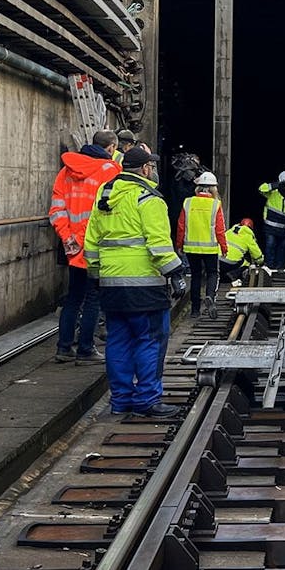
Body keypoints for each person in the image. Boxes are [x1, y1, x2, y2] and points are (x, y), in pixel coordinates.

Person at [85, 147, 186, 419]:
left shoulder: (105, 196)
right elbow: (159, 243)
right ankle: (147, 400)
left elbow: (91, 241)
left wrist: (96, 274)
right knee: (150, 340)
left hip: (110, 283)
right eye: (151, 167)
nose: (152, 171)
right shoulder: (149, 198)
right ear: (144, 170)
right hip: (144, 286)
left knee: (118, 341)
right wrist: (176, 273)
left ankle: (120, 401)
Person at [48, 130, 119, 362]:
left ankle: (64, 348)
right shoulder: (110, 171)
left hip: (73, 246)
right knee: (93, 298)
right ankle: (86, 349)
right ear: (111, 149)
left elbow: (57, 209)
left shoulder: (65, 171)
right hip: (97, 247)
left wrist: (67, 238)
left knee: (73, 297)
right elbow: (113, 211)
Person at [175, 171, 228, 319]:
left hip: (191, 248)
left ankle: (195, 310)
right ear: (213, 189)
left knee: (196, 277)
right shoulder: (215, 205)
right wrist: (224, 247)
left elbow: (181, 226)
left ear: (198, 188)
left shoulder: (188, 202)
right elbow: (220, 229)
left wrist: (179, 244)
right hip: (210, 248)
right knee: (212, 274)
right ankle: (210, 296)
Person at [219, 219, 265, 304]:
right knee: (247, 264)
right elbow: (257, 255)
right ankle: (233, 274)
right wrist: (261, 263)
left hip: (218, 260)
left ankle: (222, 276)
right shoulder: (248, 236)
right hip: (231, 263)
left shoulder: (229, 231)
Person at [258, 171, 285, 268]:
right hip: (271, 228)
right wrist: (277, 185)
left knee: (281, 250)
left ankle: (279, 269)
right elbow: (261, 189)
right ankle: (269, 268)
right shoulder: (272, 193)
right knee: (270, 247)